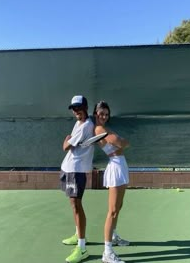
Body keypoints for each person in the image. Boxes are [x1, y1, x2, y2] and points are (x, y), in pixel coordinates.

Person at [93, 101, 130, 263]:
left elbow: (121, 143)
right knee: (112, 210)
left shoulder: (105, 129)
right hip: (115, 166)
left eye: (106, 114)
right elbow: (122, 143)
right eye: (101, 113)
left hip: (121, 165)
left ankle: (113, 236)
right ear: (96, 114)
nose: (104, 117)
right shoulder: (100, 129)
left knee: (118, 207)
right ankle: (107, 253)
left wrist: (120, 141)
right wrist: (120, 141)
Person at [60, 95, 94, 263]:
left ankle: (82, 248)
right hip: (69, 168)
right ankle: (78, 234)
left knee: (76, 204)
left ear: (85, 107)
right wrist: (68, 140)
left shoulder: (85, 126)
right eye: (73, 108)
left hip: (76, 170)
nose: (76, 111)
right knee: (74, 204)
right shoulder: (78, 123)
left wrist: (66, 139)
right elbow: (68, 146)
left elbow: (66, 146)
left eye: (78, 108)